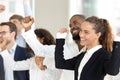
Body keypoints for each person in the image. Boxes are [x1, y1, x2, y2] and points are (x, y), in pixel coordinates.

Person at [21, 14, 85, 80]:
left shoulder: (92, 49)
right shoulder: (64, 48)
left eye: (75, 23)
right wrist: (27, 29)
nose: (72, 27)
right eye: (70, 26)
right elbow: (40, 50)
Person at [55, 16, 120, 80]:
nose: (81, 35)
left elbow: (113, 71)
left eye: (86, 32)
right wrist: (60, 39)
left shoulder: (104, 55)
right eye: (81, 31)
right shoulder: (83, 55)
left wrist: (117, 42)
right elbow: (60, 64)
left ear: (97, 35)